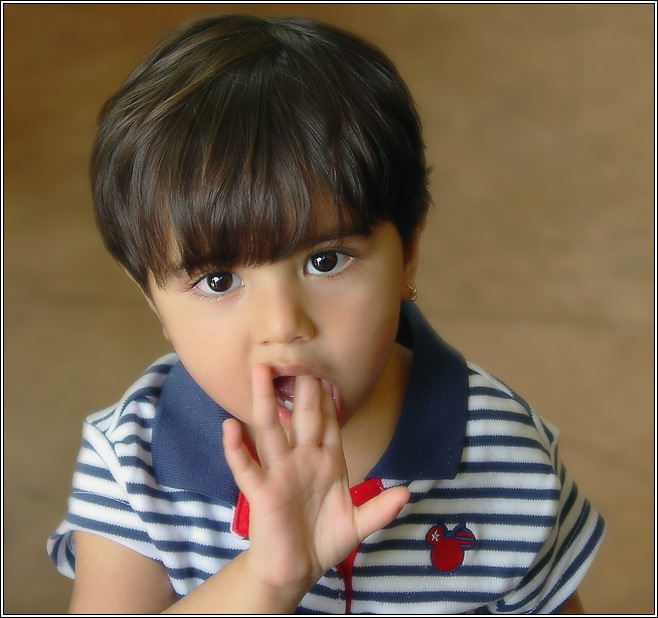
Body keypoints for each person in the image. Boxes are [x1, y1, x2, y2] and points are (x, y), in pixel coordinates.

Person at [47, 13, 604, 614]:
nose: (282, 324)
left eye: (326, 260)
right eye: (218, 279)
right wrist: (266, 580)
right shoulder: (131, 462)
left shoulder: (504, 452)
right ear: (151, 297)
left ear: (408, 252)